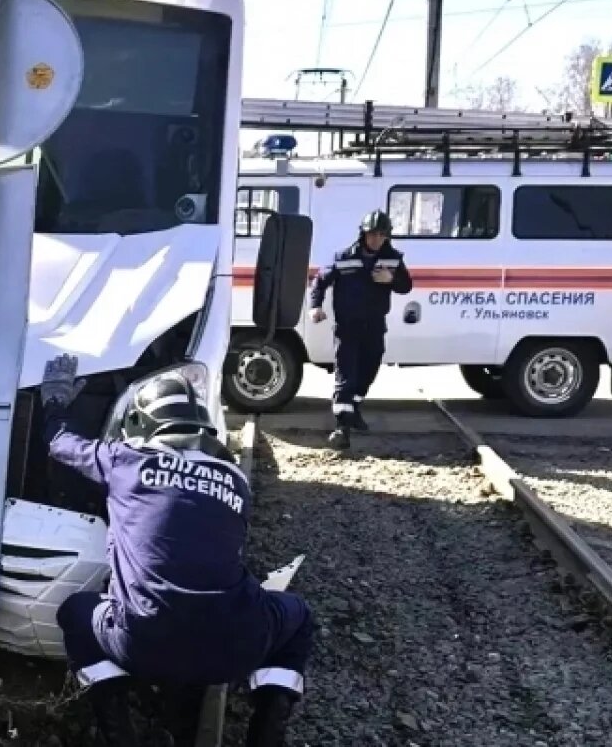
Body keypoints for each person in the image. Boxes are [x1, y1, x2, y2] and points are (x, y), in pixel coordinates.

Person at [39, 354, 314, 747]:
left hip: (141, 645)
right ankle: (266, 733)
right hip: (235, 648)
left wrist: (56, 401)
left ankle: (118, 731)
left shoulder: (125, 461)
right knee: (299, 618)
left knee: (75, 613)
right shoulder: (236, 480)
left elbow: (58, 442)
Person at [308, 209, 413, 450]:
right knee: (346, 374)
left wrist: (391, 280)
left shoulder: (393, 259)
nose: (375, 239)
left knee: (369, 369)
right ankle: (341, 428)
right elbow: (320, 282)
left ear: (387, 236)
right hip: (347, 325)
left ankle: (353, 410)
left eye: (380, 235)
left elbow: (406, 286)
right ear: (363, 234)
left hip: (375, 325)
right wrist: (315, 307)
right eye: (371, 234)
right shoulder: (344, 256)